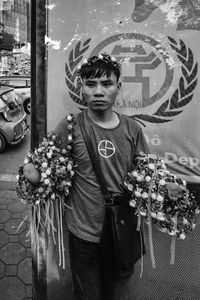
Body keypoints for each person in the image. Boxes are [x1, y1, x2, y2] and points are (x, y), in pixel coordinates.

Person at [23, 53, 182, 300]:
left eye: (106, 84)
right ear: (81, 88)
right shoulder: (70, 127)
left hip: (122, 232)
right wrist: (33, 175)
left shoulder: (132, 128)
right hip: (83, 235)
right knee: (88, 295)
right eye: (91, 84)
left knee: (117, 293)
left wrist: (166, 187)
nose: (99, 91)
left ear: (118, 88)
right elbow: (47, 168)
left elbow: (147, 172)